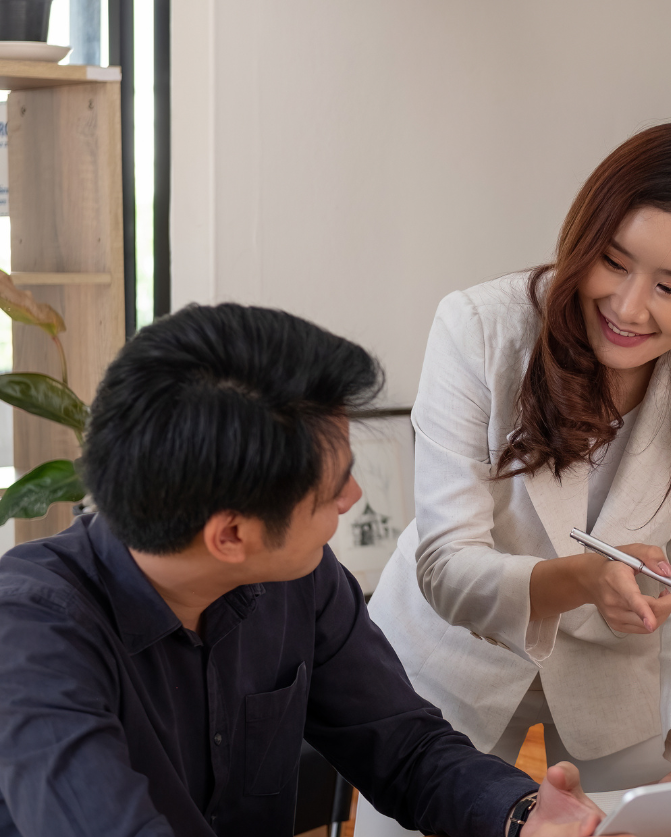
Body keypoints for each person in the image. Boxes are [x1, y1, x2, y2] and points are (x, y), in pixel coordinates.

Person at [0, 304, 623, 837]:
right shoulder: (31, 634)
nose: (354, 497)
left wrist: (522, 815)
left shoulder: (299, 577)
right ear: (232, 535)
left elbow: (403, 747)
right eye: (331, 490)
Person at [370, 122, 671, 808]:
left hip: (613, 685)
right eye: (614, 262)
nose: (627, 307)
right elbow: (446, 566)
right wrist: (587, 579)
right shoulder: (481, 327)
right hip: (448, 666)